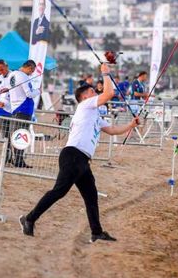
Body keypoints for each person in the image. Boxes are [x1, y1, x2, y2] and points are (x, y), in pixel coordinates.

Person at [19, 63, 140, 242]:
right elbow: (109, 94)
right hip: (73, 155)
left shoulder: (95, 116)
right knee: (59, 191)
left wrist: (131, 125)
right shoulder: (85, 106)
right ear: (84, 97)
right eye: (92, 92)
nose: (95, 94)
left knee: (91, 196)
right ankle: (29, 218)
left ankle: (96, 232)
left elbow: (113, 130)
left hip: (82, 159)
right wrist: (106, 74)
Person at [5, 60, 40, 168]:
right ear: (29, 67)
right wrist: (38, 91)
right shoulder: (23, 76)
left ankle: (16, 159)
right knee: (22, 135)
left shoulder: (12, 75)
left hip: (15, 108)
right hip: (24, 109)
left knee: (16, 135)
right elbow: (29, 93)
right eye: (32, 70)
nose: (32, 73)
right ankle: (19, 161)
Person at [0, 59, 13, 164]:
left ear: (7, 66)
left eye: (2, 69)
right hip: (1, 111)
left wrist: (8, 89)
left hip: (14, 111)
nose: (0, 71)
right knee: (5, 136)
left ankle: (16, 157)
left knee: (13, 135)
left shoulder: (14, 76)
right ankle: (6, 157)